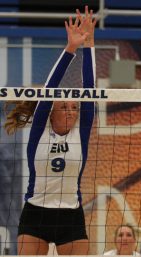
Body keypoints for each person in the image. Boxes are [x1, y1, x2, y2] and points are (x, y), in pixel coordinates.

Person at [5, 7, 97, 255]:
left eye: (74, 106)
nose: (70, 110)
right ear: (50, 112)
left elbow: (90, 89)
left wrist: (89, 45)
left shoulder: (82, 131)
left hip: (71, 215)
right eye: (64, 106)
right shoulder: (39, 132)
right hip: (36, 214)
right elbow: (49, 88)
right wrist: (71, 49)